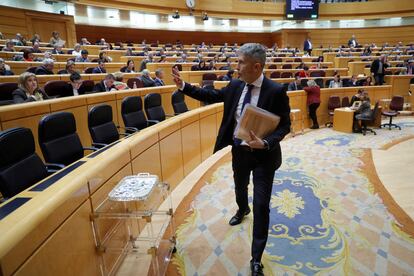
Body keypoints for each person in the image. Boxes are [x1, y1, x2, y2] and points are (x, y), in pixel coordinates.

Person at [172, 43, 291, 276]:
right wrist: (184, 86)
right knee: (240, 187)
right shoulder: (236, 85)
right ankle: (242, 209)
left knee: (262, 205)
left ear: (256, 66)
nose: (236, 67)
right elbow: (211, 94)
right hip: (239, 151)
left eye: (240, 62)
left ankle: (256, 258)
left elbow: (285, 125)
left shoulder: (276, 91)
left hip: (264, 157)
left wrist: (266, 142)